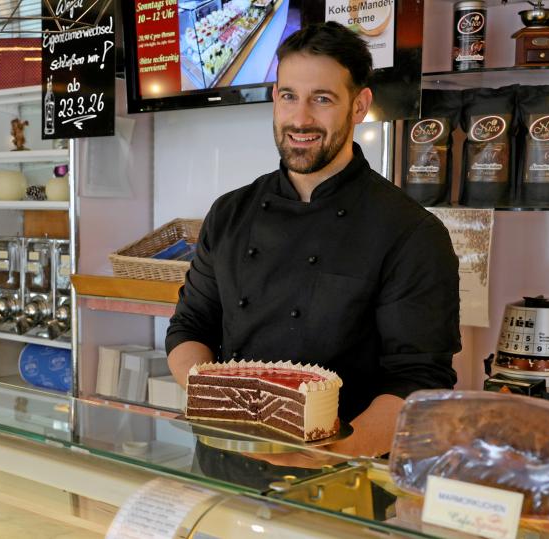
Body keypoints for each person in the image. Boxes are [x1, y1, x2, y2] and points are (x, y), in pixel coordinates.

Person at [166, 22, 461, 462]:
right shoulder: (229, 213)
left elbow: (417, 380)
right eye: (289, 96)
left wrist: (322, 459)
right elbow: (190, 329)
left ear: (359, 106)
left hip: (341, 479)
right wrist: (220, 402)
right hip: (225, 464)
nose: (301, 118)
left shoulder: (410, 231)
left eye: (322, 99)